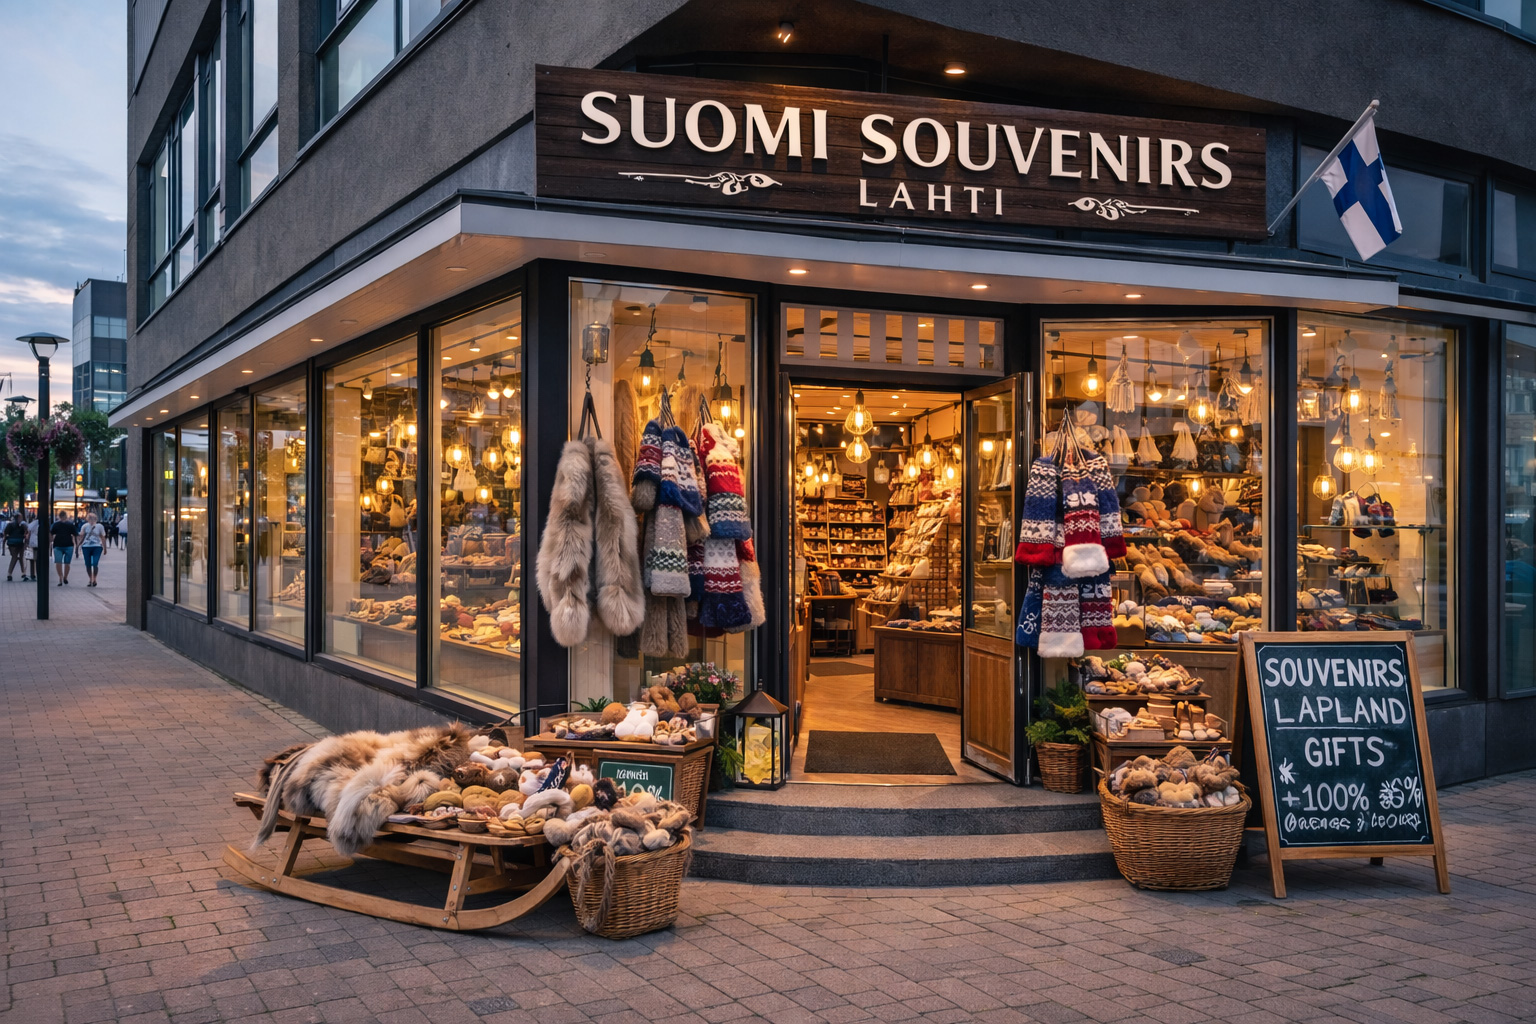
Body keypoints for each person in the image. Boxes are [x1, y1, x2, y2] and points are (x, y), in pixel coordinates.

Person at [78, 512, 107, 587]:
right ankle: (90, 579)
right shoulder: (84, 526)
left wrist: (105, 548)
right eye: (90, 518)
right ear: (87, 519)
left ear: (96, 519)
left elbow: (102, 537)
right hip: (86, 547)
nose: (91, 520)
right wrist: (79, 545)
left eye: (93, 518)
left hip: (97, 547)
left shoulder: (99, 526)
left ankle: (94, 579)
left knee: (95, 563)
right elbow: (82, 536)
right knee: (87, 564)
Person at [51, 511, 78, 586]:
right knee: (67, 563)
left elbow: (51, 534)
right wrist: (77, 545)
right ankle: (65, 577)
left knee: (58, 562)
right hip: (69, 545)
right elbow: (75, 534)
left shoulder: (55, 524)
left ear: (59, 516)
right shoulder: (70, 524)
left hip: (57, 545)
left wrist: (51, 542)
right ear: (66, 516)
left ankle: (60, 577)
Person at [4, 514, 27, 581]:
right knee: (21, 557)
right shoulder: (22, 525)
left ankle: (9, 573)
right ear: (19, 518)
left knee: (14, 557)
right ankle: (23, 573)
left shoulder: (10, 525)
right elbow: (26, 532)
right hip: (20, 542)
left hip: (11, 543)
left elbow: (6, 532)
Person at [26, 514, 40, 581]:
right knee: (38, 560)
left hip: (32, 542)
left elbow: (28, 533)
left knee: (32, 560)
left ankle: (32, 574)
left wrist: (27, 543)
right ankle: (39, 573)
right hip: (39, 543)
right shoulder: (43, 523)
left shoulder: (32, 524)